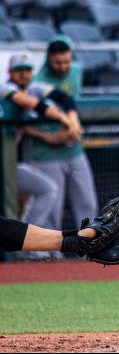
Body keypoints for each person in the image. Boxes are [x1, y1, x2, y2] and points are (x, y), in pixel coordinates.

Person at [1, 54, 79, 254]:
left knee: (47, 189)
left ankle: (27, 246)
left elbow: (64, 98)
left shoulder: (35, 88)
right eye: (19, 70)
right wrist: (62, 117)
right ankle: (27, 245)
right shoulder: (5, 88)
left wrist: (71, 119)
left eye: (27, 70)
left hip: (11, 164)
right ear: (10, 72)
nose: (23, 74)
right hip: (5, 163)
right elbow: (31, 104)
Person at [24, 35, 98, 235]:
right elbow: (24, 123)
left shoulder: (76, 71)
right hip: (46, 153)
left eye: (66, 61)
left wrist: (72, 124)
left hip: (74, 149)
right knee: (52, 209)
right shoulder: (37, 82)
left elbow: (70, 101)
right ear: (49, 59)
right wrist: (50, 137)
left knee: (87, 203)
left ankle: (91, 248)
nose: (63, 66)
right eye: (58, 62)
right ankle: (47, 256)